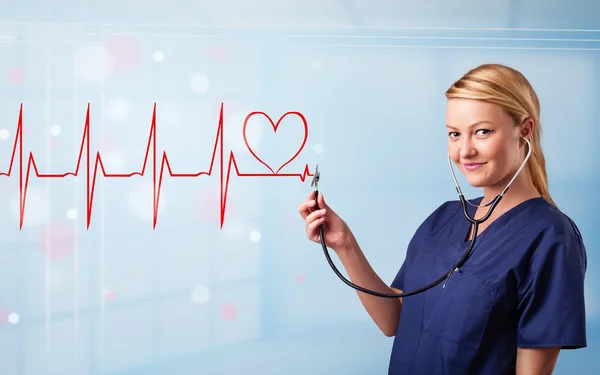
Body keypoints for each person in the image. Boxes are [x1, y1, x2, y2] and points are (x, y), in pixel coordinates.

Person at [297, 63, 587, 375]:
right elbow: (392, 319)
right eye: (454, 134)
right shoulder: (444, 219)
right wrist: (345, 245)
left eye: (483, 131)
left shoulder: (551, 237)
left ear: (525, 130)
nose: (465, 151)